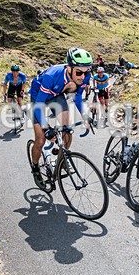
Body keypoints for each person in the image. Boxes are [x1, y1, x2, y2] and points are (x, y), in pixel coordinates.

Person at [28, 48, 93, 188]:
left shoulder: (84, 76)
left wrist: (85, 117)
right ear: (69, 68)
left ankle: (61, 160)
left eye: (86, 71)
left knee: (67, 130)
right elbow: (39, 105)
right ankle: (35, 168)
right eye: (79, 72)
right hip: (38, 97)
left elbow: (78, 98)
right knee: (40, 139)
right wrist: (46, 128)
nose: (83, 76)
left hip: (56, 96)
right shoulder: (52, 76)